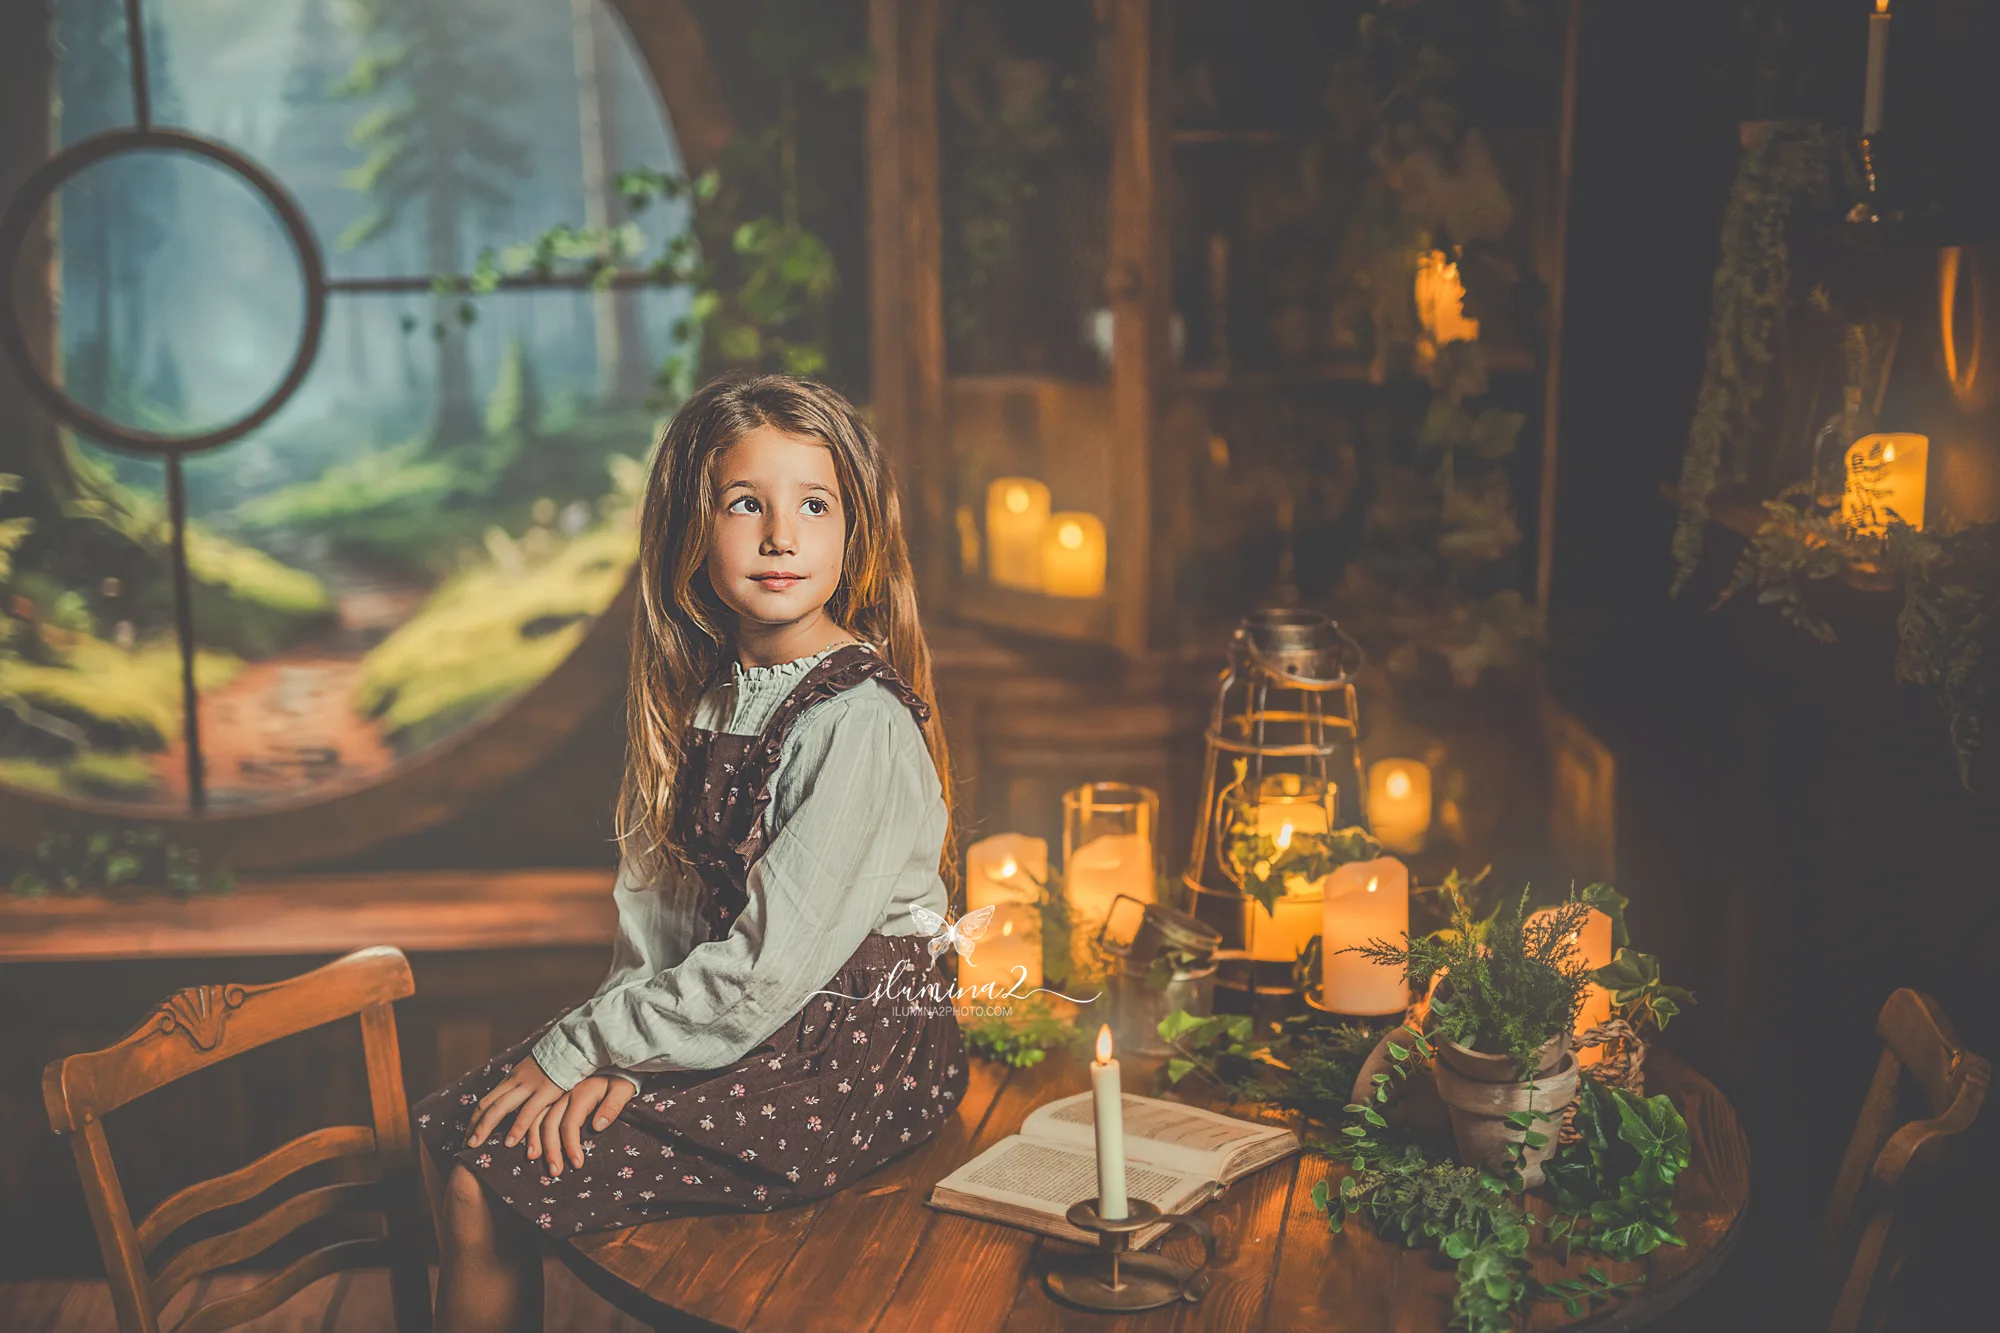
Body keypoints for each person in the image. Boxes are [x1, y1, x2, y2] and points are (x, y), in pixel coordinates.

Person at [413, 373, 969, 1333]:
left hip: (843, 1052)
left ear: (854, 533)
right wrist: (626, 1055)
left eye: (814, 504)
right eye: (745, 502)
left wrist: (598, 1045)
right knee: (479, 1134)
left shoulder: (860, 725)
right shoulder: (712, 702)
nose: (781, 535)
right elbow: (659, 921)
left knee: (490, 1176)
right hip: (740, 1020)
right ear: (691, 528)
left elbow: (769, 967)